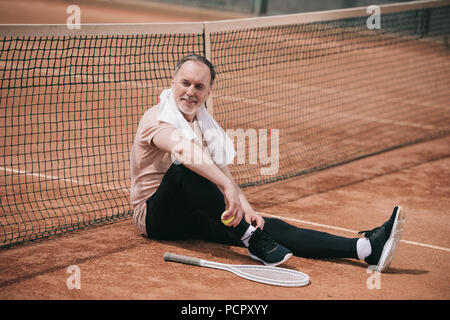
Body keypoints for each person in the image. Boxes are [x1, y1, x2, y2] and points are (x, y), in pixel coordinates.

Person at [130, 54, 405, 271]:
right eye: (185, 83)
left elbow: (221, 171)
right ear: (173, 83)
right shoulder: (157, 119)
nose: (191, 91)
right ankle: (249, 237)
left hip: (194, 215)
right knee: (184, 171)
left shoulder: (204, 125)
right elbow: (186, 152)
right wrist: (225, 186)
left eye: (199, 86)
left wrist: (247, 209)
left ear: (208, 92)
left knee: (269, 227)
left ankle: (365, 249)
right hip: (156, 217)